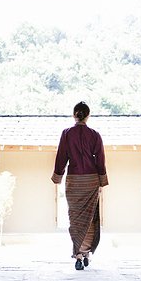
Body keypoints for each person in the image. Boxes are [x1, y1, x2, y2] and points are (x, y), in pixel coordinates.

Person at [51, 102, 108, 270]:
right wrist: (102, 180)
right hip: (91, 180)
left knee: (75, 218)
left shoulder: (67, 134)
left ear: (74, 115)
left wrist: (57, 176)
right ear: (88, 116)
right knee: (90, 218)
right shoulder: (95, 135)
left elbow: (62, 156)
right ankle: (86, 252)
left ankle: (78, 254)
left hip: (74, 180)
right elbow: (100, 160)